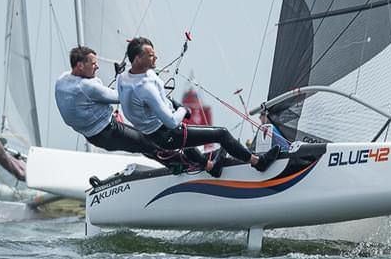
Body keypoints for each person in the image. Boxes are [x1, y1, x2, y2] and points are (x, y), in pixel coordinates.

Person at [118, 36, 281, 178]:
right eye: (151, 55)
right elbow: (172, 122)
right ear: (137, 59)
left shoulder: (123, 77)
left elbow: (129, 99)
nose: (156, 57)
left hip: (152, 134)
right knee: (222, 134)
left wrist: (171, 103)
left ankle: (211, 168)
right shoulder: (145, 88)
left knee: (187, 141)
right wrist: (183, 110)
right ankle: (258, 162)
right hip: (167, 133)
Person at [54, 45, 161, 158]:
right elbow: (121, 97)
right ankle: (173, 161)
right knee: (148, 143)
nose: (97, 67)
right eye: (93, 64)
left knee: (141, 146)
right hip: (108, 132)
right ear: (80, 65)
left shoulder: (62, 79)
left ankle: (169, 162)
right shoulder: (87, 87)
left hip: (93, 136)